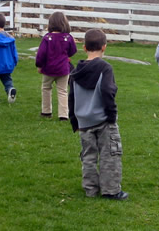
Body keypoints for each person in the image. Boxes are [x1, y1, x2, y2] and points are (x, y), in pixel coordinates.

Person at [68, 29, 128, 200]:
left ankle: (90, 189)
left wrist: (75, 121)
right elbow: (108, 91)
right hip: (103, 120)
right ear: (104, 47)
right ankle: (111, 190)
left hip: (84, 122)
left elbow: (71, 98)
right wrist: (112, 115)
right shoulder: (105, 68)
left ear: (84, 47)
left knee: (88, 156)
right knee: (110, 154)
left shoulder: (75, 72)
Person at [35, 11, 77, 120]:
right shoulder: (68, 37)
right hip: (63, 69)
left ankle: (46, 111)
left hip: (48, 69)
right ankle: (63, 114)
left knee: (46, 89)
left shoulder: (47, 38)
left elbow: (41, 53)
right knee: (63, 91)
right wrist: (66, 54)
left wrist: (39, 65)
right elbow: (73, 50)